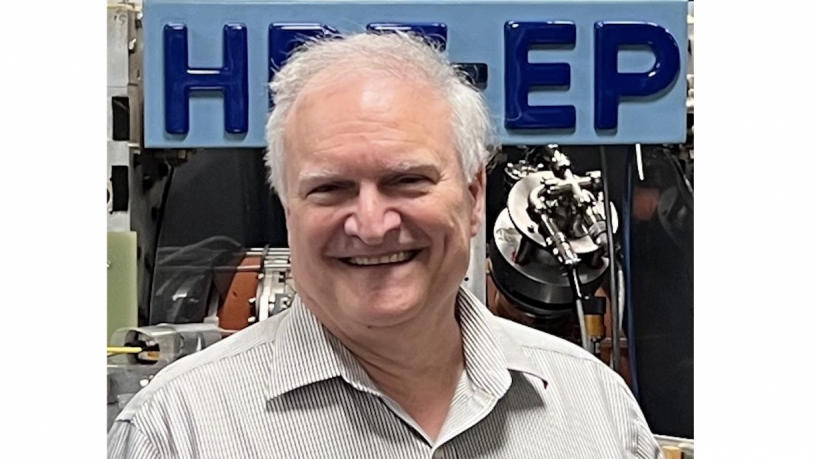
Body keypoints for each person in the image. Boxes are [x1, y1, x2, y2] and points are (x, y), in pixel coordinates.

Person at [108, 32, 665, 459]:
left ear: (474, 198)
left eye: (407, 181)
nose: (371, 224)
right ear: (288, 209)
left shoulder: (594, 409)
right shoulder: (179, 431)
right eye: (331, 188)